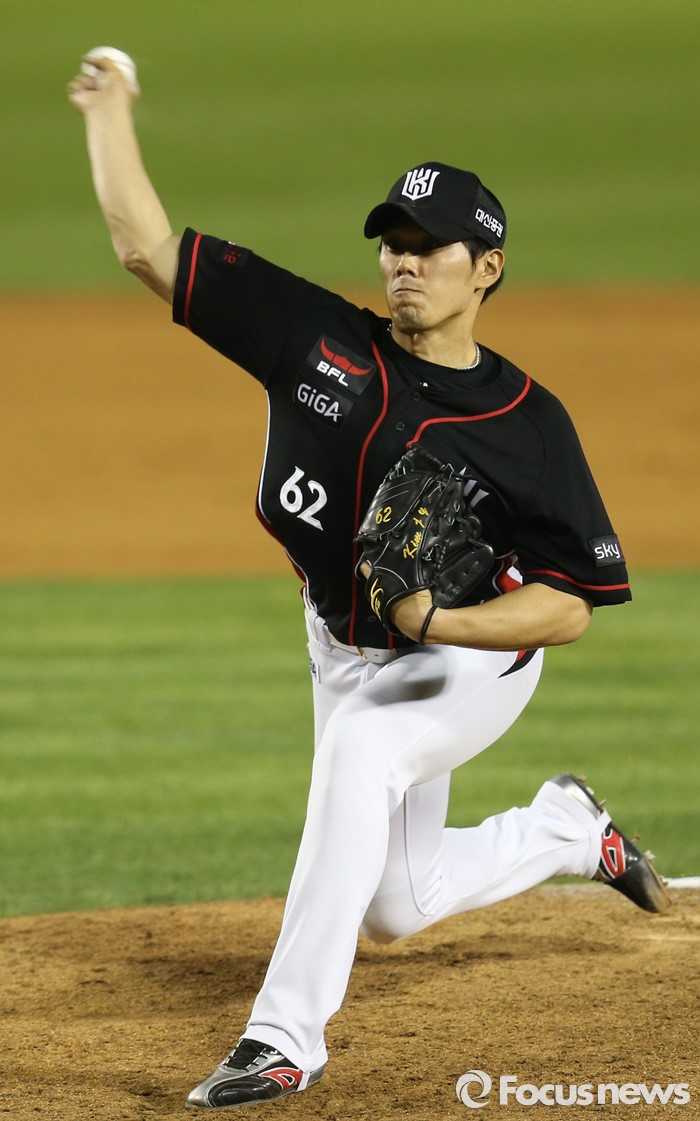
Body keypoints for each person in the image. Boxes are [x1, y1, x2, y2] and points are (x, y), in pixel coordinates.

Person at [69, 57, 669, 1111]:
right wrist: (108, 107)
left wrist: (443, 619)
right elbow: (143, 246)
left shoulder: (528, 424)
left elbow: (571, 601)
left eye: (429, 247)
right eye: (393, 243)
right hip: (343, 646)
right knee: (398, 903)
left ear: (485, 268)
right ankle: (572, 829)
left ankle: (282, 1037)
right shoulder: (314, 338)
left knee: (360, 750)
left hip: (467, 658)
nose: (404, 263)